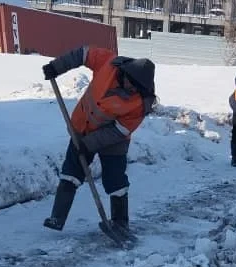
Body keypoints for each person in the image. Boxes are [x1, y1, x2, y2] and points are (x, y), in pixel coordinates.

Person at [42, 47, 156, 232]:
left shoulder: (141, 104)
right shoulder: (108, 64)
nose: (131, 88)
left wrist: (88, 145)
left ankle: (120, 223)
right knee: (71, 171)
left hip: (114, 141)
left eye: (137, 88)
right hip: (82, 127)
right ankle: (57, 218)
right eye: (131, 83)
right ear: (125, 73)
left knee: (115, 180)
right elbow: (83, 54)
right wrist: (57, 67)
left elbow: (119, 130)